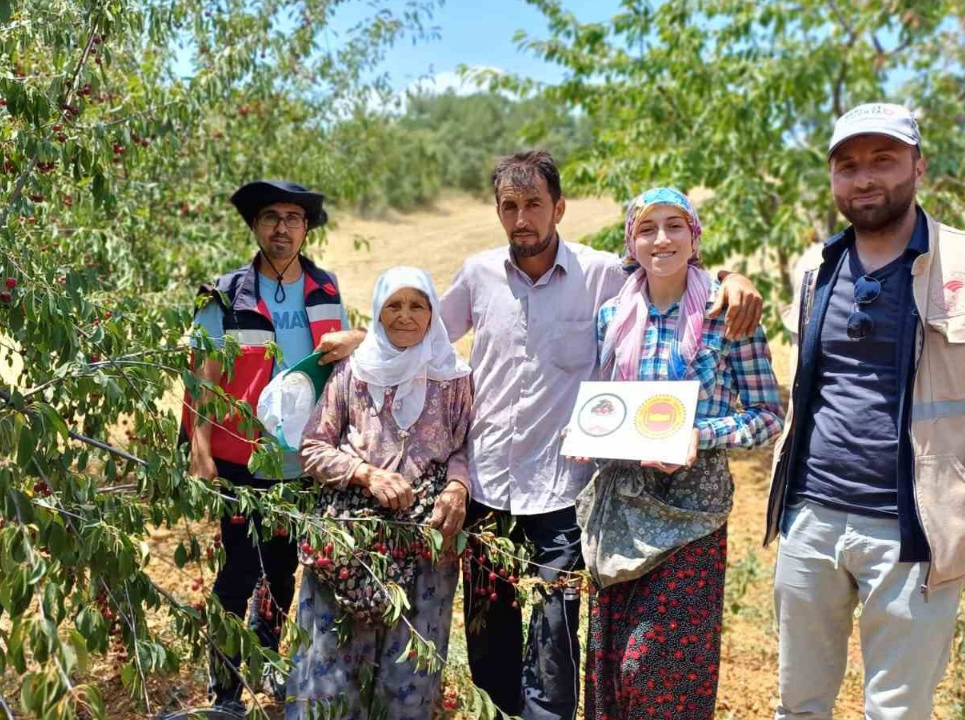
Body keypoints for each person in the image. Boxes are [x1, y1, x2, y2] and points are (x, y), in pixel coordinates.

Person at [439, 150, 766, 720]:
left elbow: (675, 264)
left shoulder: (602, 278)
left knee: (557, 652)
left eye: (534, 204)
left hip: (565, 494)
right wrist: (360, 344)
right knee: (490, 647)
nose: (522, 219)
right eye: (509, 207)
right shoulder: (480, 276)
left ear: (559, 207)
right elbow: (427, 341)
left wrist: (734, 279)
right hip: (491, 488)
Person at [765, 103, 965, 719]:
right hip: (810, 520)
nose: (864, 178)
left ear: (918, 167)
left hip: (913, 530)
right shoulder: (818, 266)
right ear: (833, 178)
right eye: (847, 165)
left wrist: (958, 473)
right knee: (798, 705)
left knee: (895, 711)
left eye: (883, 160)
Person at [579, 187, 784, 720]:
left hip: (692, 514)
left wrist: (702, 434)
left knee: (660, 669)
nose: (661, 238)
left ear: (694, 238)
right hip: (622, 507)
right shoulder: (611, 316)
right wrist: (592, 437)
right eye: (647, 228)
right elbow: (610, 406)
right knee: (615, 665)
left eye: (675, 225)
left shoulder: (728, 313)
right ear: (631, 241)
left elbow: (767, 415)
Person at [182, 180, 367, 714]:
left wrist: (352, 340)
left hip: (303, 459)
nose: (281, 228)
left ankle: (265, 666)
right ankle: (225, 691)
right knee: (239, 571)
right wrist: (200, 448)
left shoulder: (325, 288)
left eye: (293, 218)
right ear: (255, 226)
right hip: (241, 457)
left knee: (282, 570)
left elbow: (344, 356)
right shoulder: (223, 292)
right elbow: (202, 375)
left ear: (307, 229)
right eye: (270, 217)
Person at [290, 267, 474, 720]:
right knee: (331, 664)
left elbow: (468, 446)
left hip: (427, 538)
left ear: (433, 314)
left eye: (417, 305)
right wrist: (365, 474)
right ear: (377, 312)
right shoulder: (353, 372)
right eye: (393, 305)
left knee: (409, 668)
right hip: (351, 538)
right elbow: (313, 447)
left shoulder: (453, 377)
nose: (405, 316)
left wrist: (456, 485)